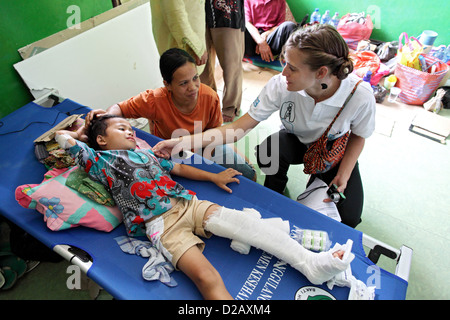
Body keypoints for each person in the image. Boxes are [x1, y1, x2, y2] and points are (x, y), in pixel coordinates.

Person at [55, 114, 354, 300]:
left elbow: (180, 170)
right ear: (101, 140)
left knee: (253, 228)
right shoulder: (99, 160)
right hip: (163, 227)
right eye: (123, 128)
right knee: (205, 278)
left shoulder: (147, 155)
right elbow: (61, 138)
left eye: (131, 127)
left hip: (189, 204)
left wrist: (215, 175)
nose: (132, 131)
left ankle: (311, 264)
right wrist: (82, 134)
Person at [153, 24, 376, 228]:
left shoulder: (359, 96)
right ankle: (274, 194)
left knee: (348, 218)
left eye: (293, 68)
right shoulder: (281, 85)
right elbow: (236, 128)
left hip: (332, 150)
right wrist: (180, 142)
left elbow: (358, 135)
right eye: (284, 62)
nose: (284, 73)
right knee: (269, 150)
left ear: (321, 73)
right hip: (296, 141)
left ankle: (321, 183)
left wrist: (344, 173)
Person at [86, 48, 256, 181]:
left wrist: (206, 157)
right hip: (169, 153)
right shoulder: (154, 100)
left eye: (195, 78)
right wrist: (105, 118)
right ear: (167, 84)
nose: (193, 87)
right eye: (183, 83)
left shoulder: (209, 97)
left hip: (203, 147)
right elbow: (120, 108)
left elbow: (216, 133)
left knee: (247, 175)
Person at [201, 0, 246, 122]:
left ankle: (230, 106)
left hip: (228, 11)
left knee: (231, 64)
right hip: (197, 9)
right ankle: (208, 102)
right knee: (202, 65)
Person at [150, 0, 208, 74]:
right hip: (183, 45)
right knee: (185, 80)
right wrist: (196, 47)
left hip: (190, 41)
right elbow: (174, 13)